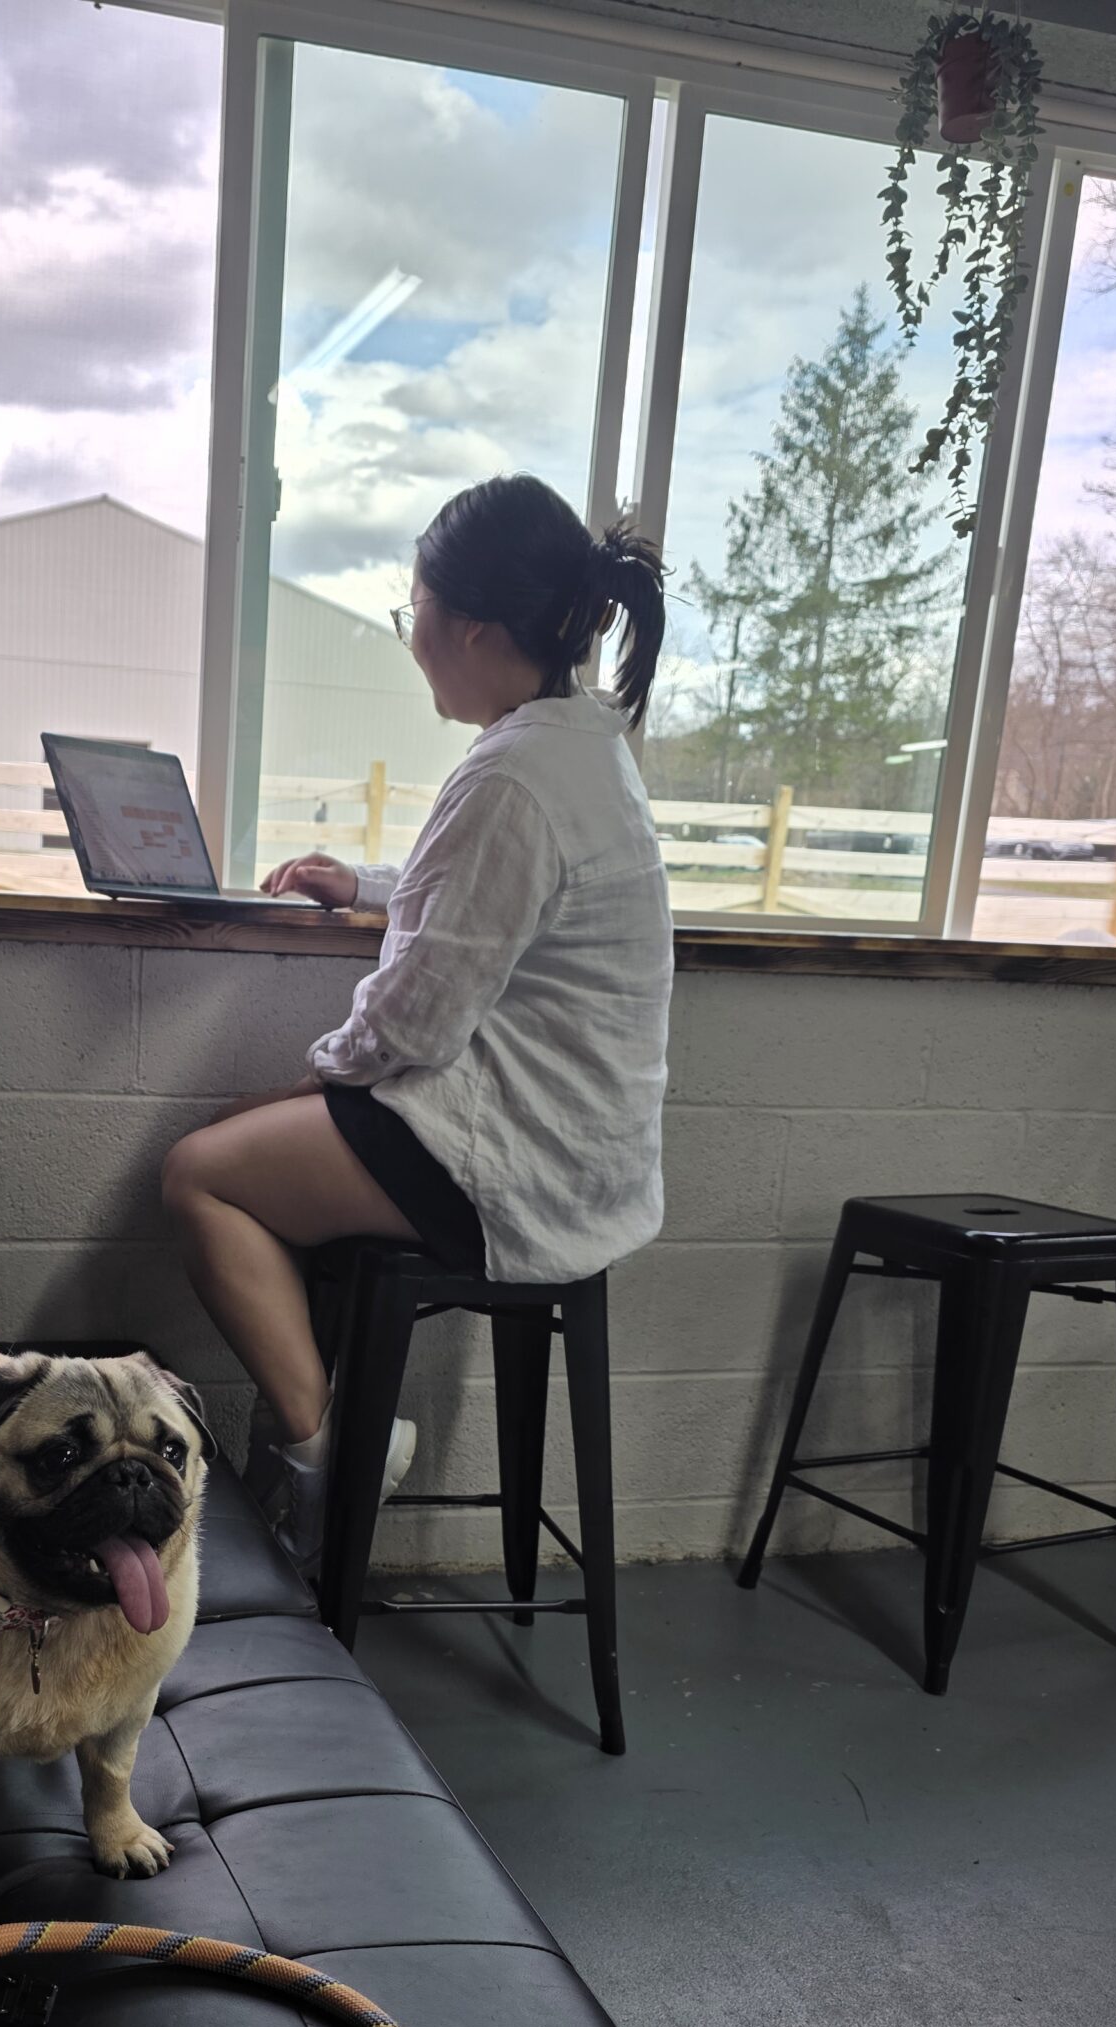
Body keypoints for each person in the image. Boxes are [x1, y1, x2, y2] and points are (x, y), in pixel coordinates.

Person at [161, 472, 675, 1570]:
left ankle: (331, 1453)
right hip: (584, 1157)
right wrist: (369, 885)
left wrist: (313, 1079)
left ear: (474, 627)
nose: (414, 638)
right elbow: (496, 898)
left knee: (200, 1173)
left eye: (416, 611)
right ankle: (322, 1448)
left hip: (514, 1164)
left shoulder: (513, 775)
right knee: (261, 1143)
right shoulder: (580, 747)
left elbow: (416, 1024)